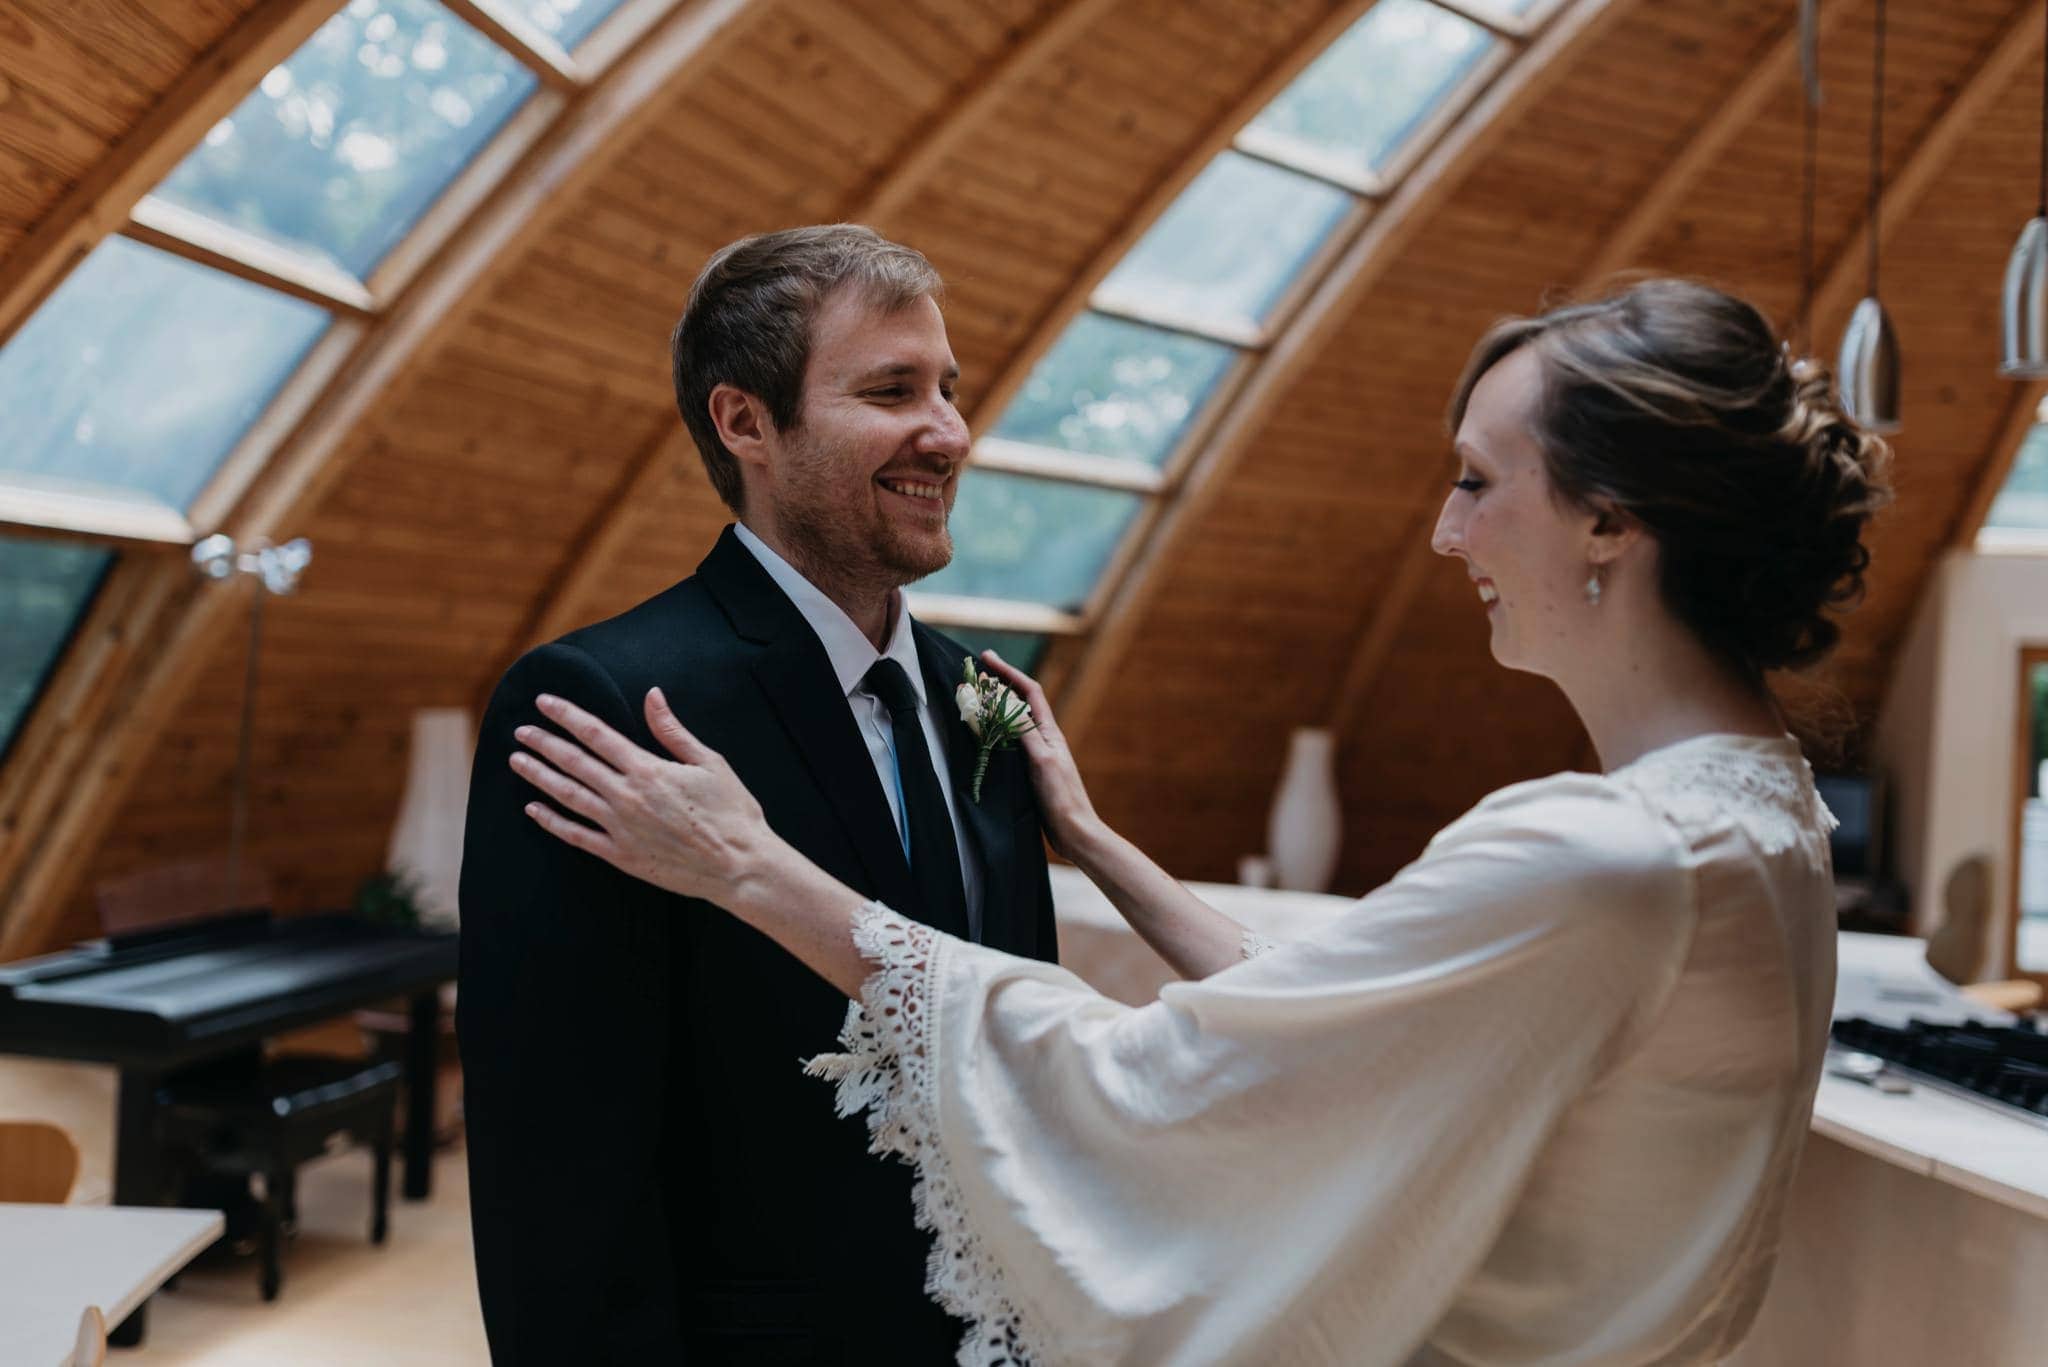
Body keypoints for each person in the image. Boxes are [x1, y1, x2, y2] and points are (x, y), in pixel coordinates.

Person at [504, 279, 1891, 1365]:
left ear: (1610, 520)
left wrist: (754, 869)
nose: (1444, 533)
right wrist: (1098, 840)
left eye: (1477, 479)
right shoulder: (1763, 808)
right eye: (890, 387)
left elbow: (1162, 1081)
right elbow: (1321, 1021)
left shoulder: (1609, 856)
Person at [457, 225, 1061, 1363]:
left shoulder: (980, 696)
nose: (947, 431)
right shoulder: (606, 703)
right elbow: (559, 1159)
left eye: (947, 388)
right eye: (891, 390)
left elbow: (1014, 1039)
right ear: (745, 424)